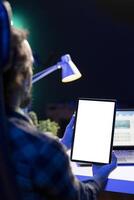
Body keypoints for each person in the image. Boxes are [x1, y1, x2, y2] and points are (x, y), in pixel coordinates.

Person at [2, 13, 117, 200]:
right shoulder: (43, 149)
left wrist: (64, 144)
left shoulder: (38, 148)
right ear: (22, 77)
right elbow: (81, 197)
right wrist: (100, 176)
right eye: (31, 67)